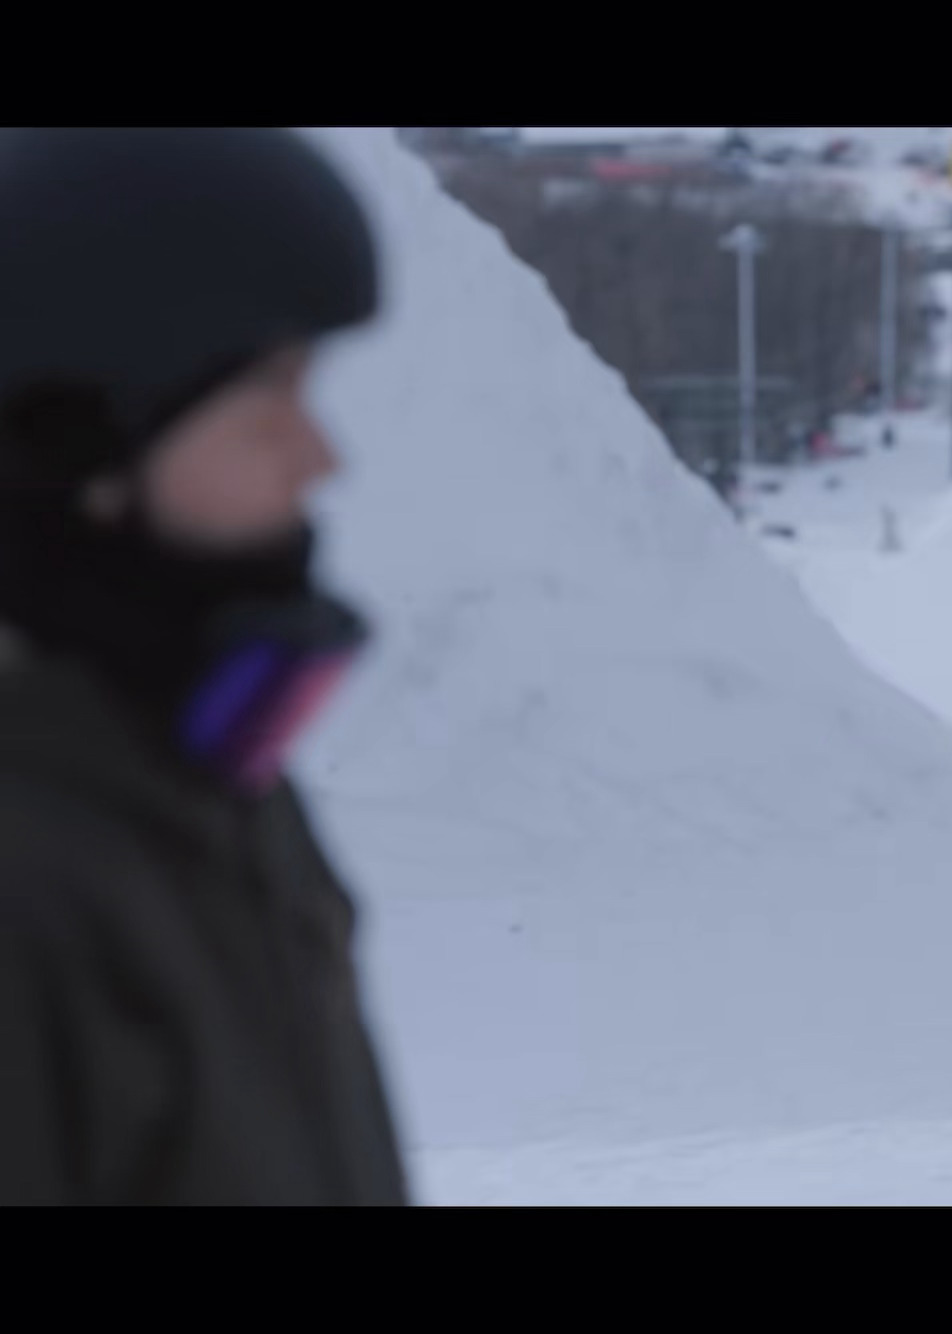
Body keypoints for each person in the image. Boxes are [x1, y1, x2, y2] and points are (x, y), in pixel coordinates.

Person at [0, 128, 410, 1203]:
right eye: (266, 401)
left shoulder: (196, 784)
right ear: (73, 437)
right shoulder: (33, 874)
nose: (321, 456)